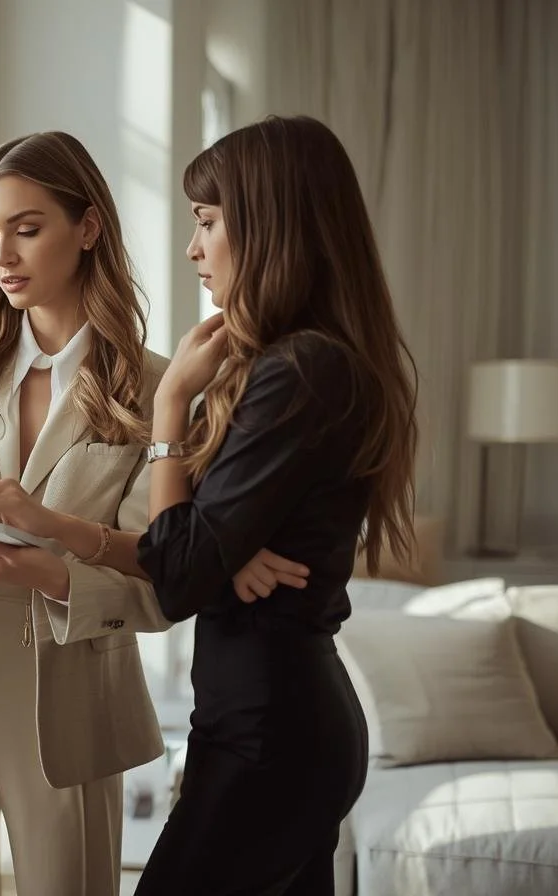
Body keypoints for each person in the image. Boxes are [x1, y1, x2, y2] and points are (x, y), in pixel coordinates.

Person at [0, 130, 306, 896]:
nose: (4, 256)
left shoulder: (161, 388)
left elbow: (162, 574)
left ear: (88, 228)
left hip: (69, 696)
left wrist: (53, 573)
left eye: (27, 229)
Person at [133, 115, 419, 894]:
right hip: (272, 725)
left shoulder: (302, 372)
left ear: (271, 224)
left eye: (208, 221)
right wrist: (219, 550)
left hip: (269, 736)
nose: (194, 247)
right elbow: (192, 548)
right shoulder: (311, 362)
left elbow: (176, 576)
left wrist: (169, 408)